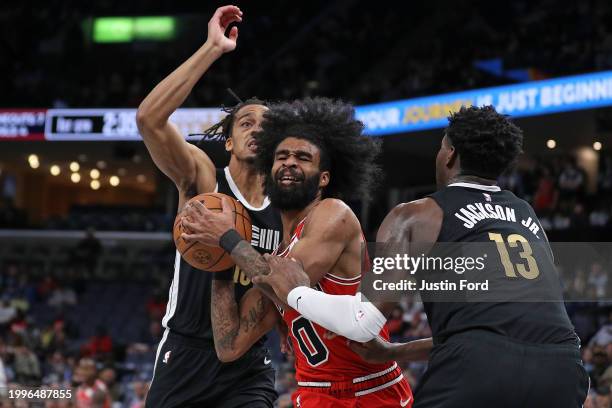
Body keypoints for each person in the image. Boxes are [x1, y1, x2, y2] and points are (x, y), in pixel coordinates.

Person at [255, 106, 590, 407]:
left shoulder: (418, 214)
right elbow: (501, 326)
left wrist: (295, 292)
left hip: (481, 369)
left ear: (450, 155)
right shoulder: (526, 215)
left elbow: (362, 321)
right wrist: (395, 352)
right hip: (564, 368)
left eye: (441, 145)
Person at [181, 97, 413, 407]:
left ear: (324, 178)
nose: (289, 162)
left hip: (367, 392)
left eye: (303, 157)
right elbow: (229, 345)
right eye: (281, 156)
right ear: (269, 168)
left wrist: (226, 237)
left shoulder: (333, 214)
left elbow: (281, 281)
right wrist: (217, 261)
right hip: (312, 392)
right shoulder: (279, 251)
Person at [136, 5, 281, 407]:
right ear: (230, 142)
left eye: (266, 127)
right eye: (246, 123)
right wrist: (212, 48)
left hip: (249, 361)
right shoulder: (204, 178)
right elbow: (149, 119)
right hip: (185, 351)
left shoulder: (288, 205)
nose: (257, 130)